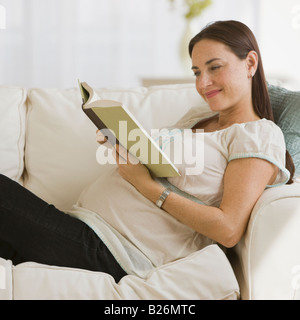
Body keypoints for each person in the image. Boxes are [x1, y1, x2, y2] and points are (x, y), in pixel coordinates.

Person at [0, 20, 295, 283]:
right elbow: (162, 165)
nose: (202, 83)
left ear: (250, 63)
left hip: (112, 253)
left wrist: (146, 185)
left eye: (214, 67)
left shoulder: (258, 134)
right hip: (81, 225)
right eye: (196, 71)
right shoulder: (197, 117)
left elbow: (228, 228)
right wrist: (122, 142)